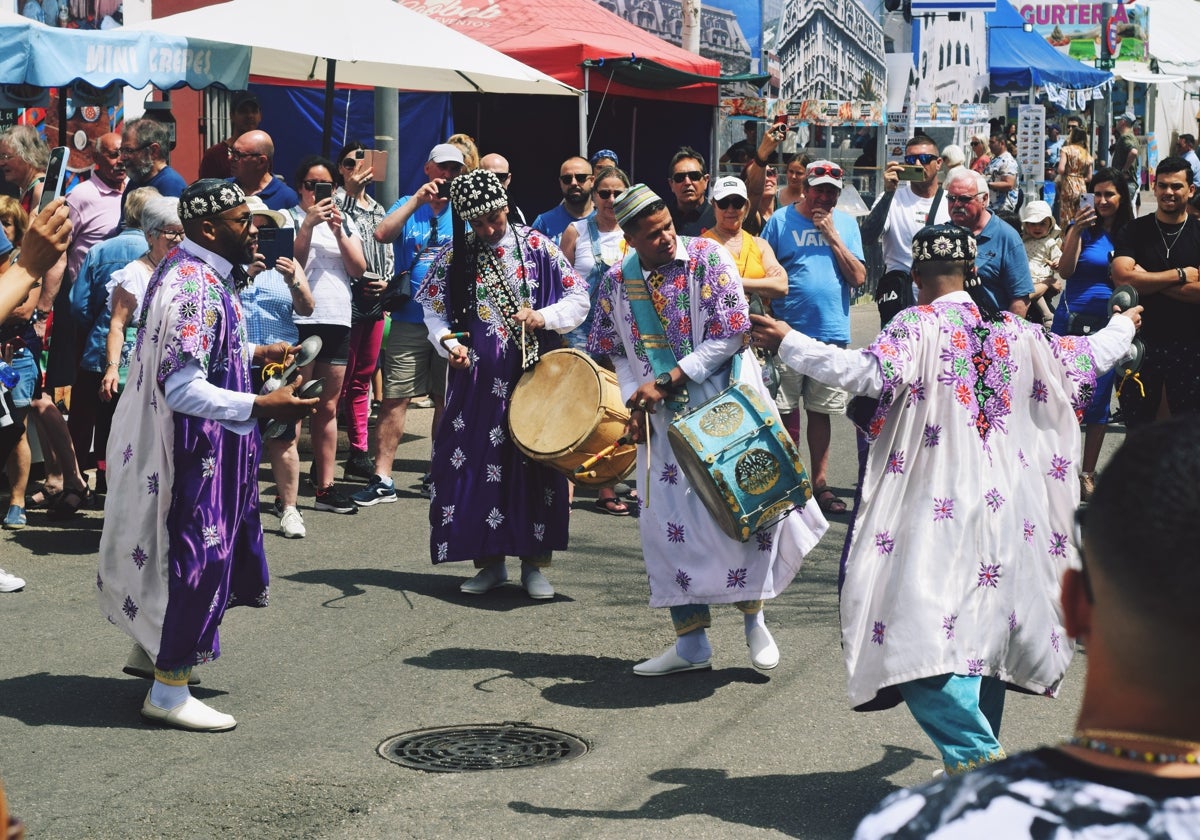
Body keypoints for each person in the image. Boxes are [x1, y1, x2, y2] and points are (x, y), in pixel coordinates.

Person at [751, 223, 1140, 776]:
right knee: (984, 636)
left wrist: (787, 339)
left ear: (915, 277)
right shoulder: (1018, 331)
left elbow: (862, 372)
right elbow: (1088, 355)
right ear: (972, 274)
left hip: (938, 509)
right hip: (1010, 512)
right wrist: (1124, 324)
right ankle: (979, 775)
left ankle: (977, 756)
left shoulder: (916, 325)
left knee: (913, 635)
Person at [853, 417, 1200, 839]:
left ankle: (978, 758)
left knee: (918, 651)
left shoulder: (918, 825)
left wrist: (790, 346)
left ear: (1072, 606)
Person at [96, 179, 318, 732]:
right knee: (195, 559)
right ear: (207, 229)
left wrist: (255, 352)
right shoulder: (195, 285)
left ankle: (151, 654)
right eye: (244, 222)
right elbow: (181, 386)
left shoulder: (191, 273)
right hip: (191, 454)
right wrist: (262, 402)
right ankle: (168, 689)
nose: (255, 232)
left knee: (183, 556)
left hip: (195, 448)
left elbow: (192, 349)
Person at [587, 183, 827, 675]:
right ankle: (690, 643)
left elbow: (731, 332)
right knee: (668, 529)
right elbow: (613, 346)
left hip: (723, 405)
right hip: (661, 419)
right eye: (652, 235)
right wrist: (637, 394)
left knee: (744, 512)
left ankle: (755, 622)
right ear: (630, 239)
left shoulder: (707, 258)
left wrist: (668, 379)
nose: (666, 239)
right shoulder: (616, 281)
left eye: (668, 227)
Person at [416, 168, 588, 599]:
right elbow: (434, 311)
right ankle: (489, 562)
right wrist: (447, 342)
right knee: (474, 464)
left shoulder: (535, 246)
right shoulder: (457, 255)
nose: (490, 229)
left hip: (533, 376)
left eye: (495, 217)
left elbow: (579, 296)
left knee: (535, 465)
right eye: (479, 222)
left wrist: (543, 317)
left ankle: (535, 566)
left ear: (505, 206)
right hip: (475, 382)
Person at [354, 143, 463, 507]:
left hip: (452, 322)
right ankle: (383, 477)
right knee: (395, 398)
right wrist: (417, 201)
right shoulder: (408, 204)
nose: (448, 176)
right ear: (428, 169)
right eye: (442, 168)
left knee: (446, 399)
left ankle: (441, 471)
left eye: (454, 170)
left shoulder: (462, 210)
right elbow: (382, 234)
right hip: (408, 319)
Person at [761, 159, 866, 515]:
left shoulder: (847, 225)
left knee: (822, 412)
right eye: (818, 188)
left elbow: (859, 278)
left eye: (831, 192)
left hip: (830, 335)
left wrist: (832, 235)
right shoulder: (780, 221)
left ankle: (819, 484)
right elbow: (764, 270)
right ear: (805, 187)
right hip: (786, 333)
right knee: (784, 410)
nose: (824, 196)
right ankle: (788, 483)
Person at [68, 187, 161, 494]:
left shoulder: (100, 250)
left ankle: (76, 482)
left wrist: (97, 324)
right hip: (143, 353)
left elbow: (78, 304)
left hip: (98, 347)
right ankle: (115, 484)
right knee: (128, 424)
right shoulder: (161, 253)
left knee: (87, 418)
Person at [289, 155, 368, 513]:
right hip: (302, 319)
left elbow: (358, 268)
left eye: (325, 186)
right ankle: (286, 491)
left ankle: (325, 487)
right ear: (299, 188)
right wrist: (307, 225)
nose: (317, 193)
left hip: (337, 317)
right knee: (294, 406)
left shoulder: (344, 219)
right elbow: (293, 264)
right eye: (310, 185)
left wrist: (337, 230)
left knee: (328, 406)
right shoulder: (290, 217)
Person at [1053, 169, 1134, 501]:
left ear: (1121, 197)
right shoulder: (1082, 229)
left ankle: (1087, 473)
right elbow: (1066, 271)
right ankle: (1057, 469)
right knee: (1061, 397)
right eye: (1096, 194)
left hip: (1109, 324)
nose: (1101, 201)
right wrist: (1076, 230)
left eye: (1109, 194)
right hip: (1070, 322)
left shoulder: (1132, 233)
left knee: (1099, 401)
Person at [559, 165, 632, 516]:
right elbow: (559, 284)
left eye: (618, 193)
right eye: (605, 193)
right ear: (594, 194)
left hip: (623, 337)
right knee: (575, 409)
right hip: (580, 334)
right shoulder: (575, 231)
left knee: (616, 412)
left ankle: (606, 485)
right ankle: (566, 487)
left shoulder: (635, 232)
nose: (611, 200)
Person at [239, 195, 314, 539]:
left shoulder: (290, 265)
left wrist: (293, 281)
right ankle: (241, 507)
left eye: (265, 229)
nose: (258, 236)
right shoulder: (228, 267)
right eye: (252, 228)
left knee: (283, 439)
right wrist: (243, 276)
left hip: (279, 365)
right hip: (241, 360)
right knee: (239, 436)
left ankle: (289, 508)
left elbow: (308, 308)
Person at [1110, 155, 1200, 426]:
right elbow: (1123, 278)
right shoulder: (1135, 230)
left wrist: (1144, 280)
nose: (1168, 192)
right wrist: (1181, 275)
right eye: (1162, 186)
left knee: (1187, 433)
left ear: (1191, 190)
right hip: (1140, 343)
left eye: (1176, 186)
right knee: (1139, 430)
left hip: (1191, 345)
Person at [332, 140, 393, 482]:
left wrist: (386, 282)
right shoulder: (335, 204)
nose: (359, 167)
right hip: (343, 299)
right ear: (341, 168)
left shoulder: (378, 208)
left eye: (364, 160)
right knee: (336, 380)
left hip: (373, 300)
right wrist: (346, 195)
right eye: (351, 162)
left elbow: (386, 247)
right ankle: (326, 454)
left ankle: (358, 451)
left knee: (362, 379)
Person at [861, 135, 952, 326]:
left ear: (938, 163)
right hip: (899, 294)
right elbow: (867, 237)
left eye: (925, 159)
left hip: (940, 295)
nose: (918, 163)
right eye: (911, 160)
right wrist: (888, 193)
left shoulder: (950, 202)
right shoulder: (892, 198)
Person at [945, 169, 1033, 318]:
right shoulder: (942, 236)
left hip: (990, 334)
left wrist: (1005, 338)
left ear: (984, 199)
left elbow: (1020, 300)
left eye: (965, 199)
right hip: (950, 333)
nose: (956, 204)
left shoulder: (1006, 237)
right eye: (951, 198)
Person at [120, 119, 187, 212]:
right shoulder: (135, 182)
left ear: (153, 151)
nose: (122, 157)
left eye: (128, 150)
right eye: (122, 150)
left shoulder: (170, 185)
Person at [226, 129, 299, 212]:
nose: (230, 158)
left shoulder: (287, 199)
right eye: (231, 151)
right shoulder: (223, 190)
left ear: (261, 162)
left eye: (237, 155)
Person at [1019, 200, 1063, 328]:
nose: (1037, 227)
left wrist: (1056, 263)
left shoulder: (1049, 242)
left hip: (1040, 272)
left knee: (1034, 289)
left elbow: (1058, 256)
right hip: (1026, 272)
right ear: (1026, 225)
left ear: (1049, 225)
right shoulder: (1023, 240)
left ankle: (1047, 314)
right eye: (1033, 224)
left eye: (1042, 224)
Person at [199, 90, 262, 180]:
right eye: (243, 111)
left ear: (260, 116)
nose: (250, 115)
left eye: (254, 111)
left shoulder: (262, 153)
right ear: (232, 115)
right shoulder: (214, 155)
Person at [531, 156, 594, 242]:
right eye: (567, 179)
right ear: (560, 183)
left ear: (592, 181)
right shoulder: (544, 223)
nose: (573, 183)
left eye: (581, 177)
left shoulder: (607, 218)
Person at [666, 146, 715, 236]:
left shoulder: (718, 218)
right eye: (679, 178)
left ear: (706, 180)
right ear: (671, 184)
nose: (687, 182)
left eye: (694, 176)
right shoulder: (663, 219)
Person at [1056, 126, 1094, 226]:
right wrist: (1079, 178)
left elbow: (1061, 169)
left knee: (1067, 216)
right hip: (1082, 186)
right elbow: (1089, 177)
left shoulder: (1066, 150)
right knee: (1081, 215)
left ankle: (1066, 237)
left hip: (1068, 185)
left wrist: (1069, 175)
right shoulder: (1086, 153)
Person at [479, 152, 526, 225]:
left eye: (500, 177)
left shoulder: (516, 212)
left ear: (508, 179)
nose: (494, 183)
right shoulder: (466, 213)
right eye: (487, 177)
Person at [1109, 112, 1141, 206]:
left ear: (1123, 122)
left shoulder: (1126, 137)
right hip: (1126, 183)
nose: (1117, 123)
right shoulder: (1132, 137)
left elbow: (1133, 152)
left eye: (1118, 120)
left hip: (1125, 183)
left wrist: (1124, 170)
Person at [984, 134, 1020, 213]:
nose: (989, 145)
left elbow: (1009, 184)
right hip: (991, 206)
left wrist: (986, 184)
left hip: (1002, 208)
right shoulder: (995, 159)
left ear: (1002, 143)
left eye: (992, 142)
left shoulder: (1008, 161)